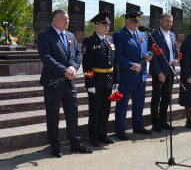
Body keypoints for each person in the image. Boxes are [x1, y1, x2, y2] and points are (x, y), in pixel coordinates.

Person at [37, 9, 92, 158]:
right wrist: (65, 71)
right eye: (64, 19)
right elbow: (46, 58)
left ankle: (76, 143)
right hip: (53, 83)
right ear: (54, 20)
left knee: (72, 115)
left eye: (68, 19)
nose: (67, 21)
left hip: (70, 83)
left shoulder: (70, 36)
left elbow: (78, 54)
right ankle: (55, 146)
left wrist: (74, 67)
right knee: (53, 117)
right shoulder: (45, 36)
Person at [82, 11, 120, 147]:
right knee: (95, 111)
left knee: (105, 110)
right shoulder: (89, 41)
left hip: (108, 82)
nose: (107, 27)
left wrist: (116, 81)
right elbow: (87, 66)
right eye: (104, 24)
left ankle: (103, 135)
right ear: (96, 25)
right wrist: (89, 83)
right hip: (96, 82)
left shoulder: (110, 40)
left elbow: (115, 63)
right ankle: (93, 137)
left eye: (108, 24)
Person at [113, 11, 152, 140]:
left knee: (139, 102)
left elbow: (147, 49)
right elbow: (117, 55)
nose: (136, 24)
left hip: (141, 75)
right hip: (127, 75)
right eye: (133, 21)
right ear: (126, 22)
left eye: (138, 22)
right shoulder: (119, 35)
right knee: (122, 104)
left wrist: (149, 54)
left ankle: (138, 126)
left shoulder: (142, 34)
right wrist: (130, 64)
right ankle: (120, 129)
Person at [148, 13, 179, 132]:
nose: (169, 23)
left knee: (167, 97)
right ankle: (155, 123)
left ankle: (163, 121)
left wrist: (176, 59)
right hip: (159, 72)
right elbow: (153, 56)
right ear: (161, 22)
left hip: (170, 70)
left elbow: (175, 51)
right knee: (156, 98)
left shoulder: (172, 35)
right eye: (167, 21)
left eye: (170, 21)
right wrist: (159, 72)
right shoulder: (154, 35)